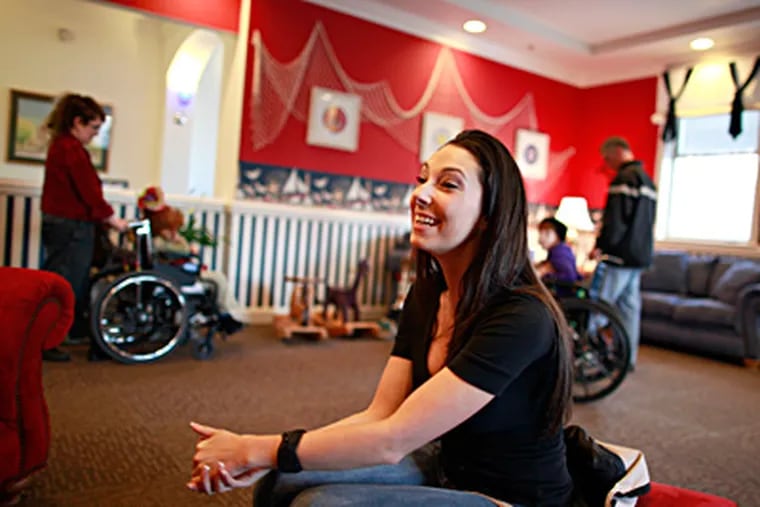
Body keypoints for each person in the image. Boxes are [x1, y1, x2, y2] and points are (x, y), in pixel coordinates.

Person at [186, 130, 575, 506]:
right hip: (446, 466)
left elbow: (393, 440)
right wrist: (272, 456)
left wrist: (256, 448)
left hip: (509, 498)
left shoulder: (523, 317)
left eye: (448, 184)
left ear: (489, 215)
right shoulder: (426, 295)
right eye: (422, 179)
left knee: (320, 505)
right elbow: (381, 413)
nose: (419, 194)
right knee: (282, 481)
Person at [40, 93, 128, 362]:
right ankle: (47, 341)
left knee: (61, 277)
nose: (94, 135)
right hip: (71, 226)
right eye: (93, 128)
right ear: (77, 122)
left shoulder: (61, 146)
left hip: (61, 223)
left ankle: (59, 333)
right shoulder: (71, 150)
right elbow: (88, 192)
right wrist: (112, 219)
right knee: (66, 282)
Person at [138, 187, 244, 335]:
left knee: (216, 278)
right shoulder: (160, 242)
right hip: (179, 276)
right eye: (171, 230)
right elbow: (186, 249)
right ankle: (226, 314)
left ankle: (226, 313)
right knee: (218, 279)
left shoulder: (154, 240)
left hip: (173, 272)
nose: (174, 233)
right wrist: (180, 241)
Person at [591, 136, 657, 370]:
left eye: (607, 159)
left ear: (618, 152)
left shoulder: (624, 179)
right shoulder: (648, 181)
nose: (607, 165)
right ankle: (627, 359)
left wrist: (601, 245)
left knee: (599, 304)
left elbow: (615, 220)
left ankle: (586, 352)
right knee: (629, 308)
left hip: (619, 255)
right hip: (640, 255)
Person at [536, 217, 582, 285]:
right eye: (540, 232)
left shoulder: (560, 252)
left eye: (547, 233)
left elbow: (570, 277)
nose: (541, 237)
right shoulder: (558, 250)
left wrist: (545, 274)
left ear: (558, 235)